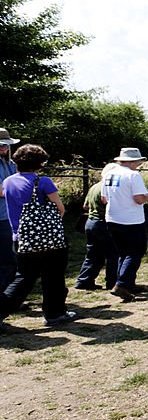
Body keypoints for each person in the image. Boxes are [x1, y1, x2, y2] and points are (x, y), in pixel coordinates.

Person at [0, 144, 77, 328]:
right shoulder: (43, 182)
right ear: (40, 163)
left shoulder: (8, 181)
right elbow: (60, 209)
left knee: (23, 279)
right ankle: (54, 313)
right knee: (54, 276)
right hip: (49, 239)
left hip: (20, 237)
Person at [102, 147, 148, 302]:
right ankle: (121, 285)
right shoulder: (133, 175)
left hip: (112, 218)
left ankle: (127, 283)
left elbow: (104, 199)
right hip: (131, 220)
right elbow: (139, 199)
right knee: (135, 252)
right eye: (139, 160)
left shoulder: (108, 174)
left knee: (123, 253)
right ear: (134, 161)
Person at [75, 163, 119, 291]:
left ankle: (84, 281)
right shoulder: (108, 187)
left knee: (93, 254)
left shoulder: (95, 186)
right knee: (113, 254)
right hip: (104, 223)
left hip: (90, 222)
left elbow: (85, 206)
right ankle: (113, 282)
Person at [0, 128, 19, 292]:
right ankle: (6, 298)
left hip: (9, 215)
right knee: (7, 259)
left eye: (6, 146)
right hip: (1, 218)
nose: (4, 149)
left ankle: (10, 296)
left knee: (11, 258)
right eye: (1, 146)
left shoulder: (10, 164)